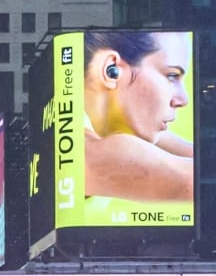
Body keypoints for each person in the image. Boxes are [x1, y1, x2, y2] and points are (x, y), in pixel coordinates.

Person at [81, 30, 192, 205]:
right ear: (112, 70)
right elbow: (197, 180)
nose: (183, 100)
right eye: (171, 76)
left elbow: (194, 155)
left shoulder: (108, 123)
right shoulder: (87, 152)